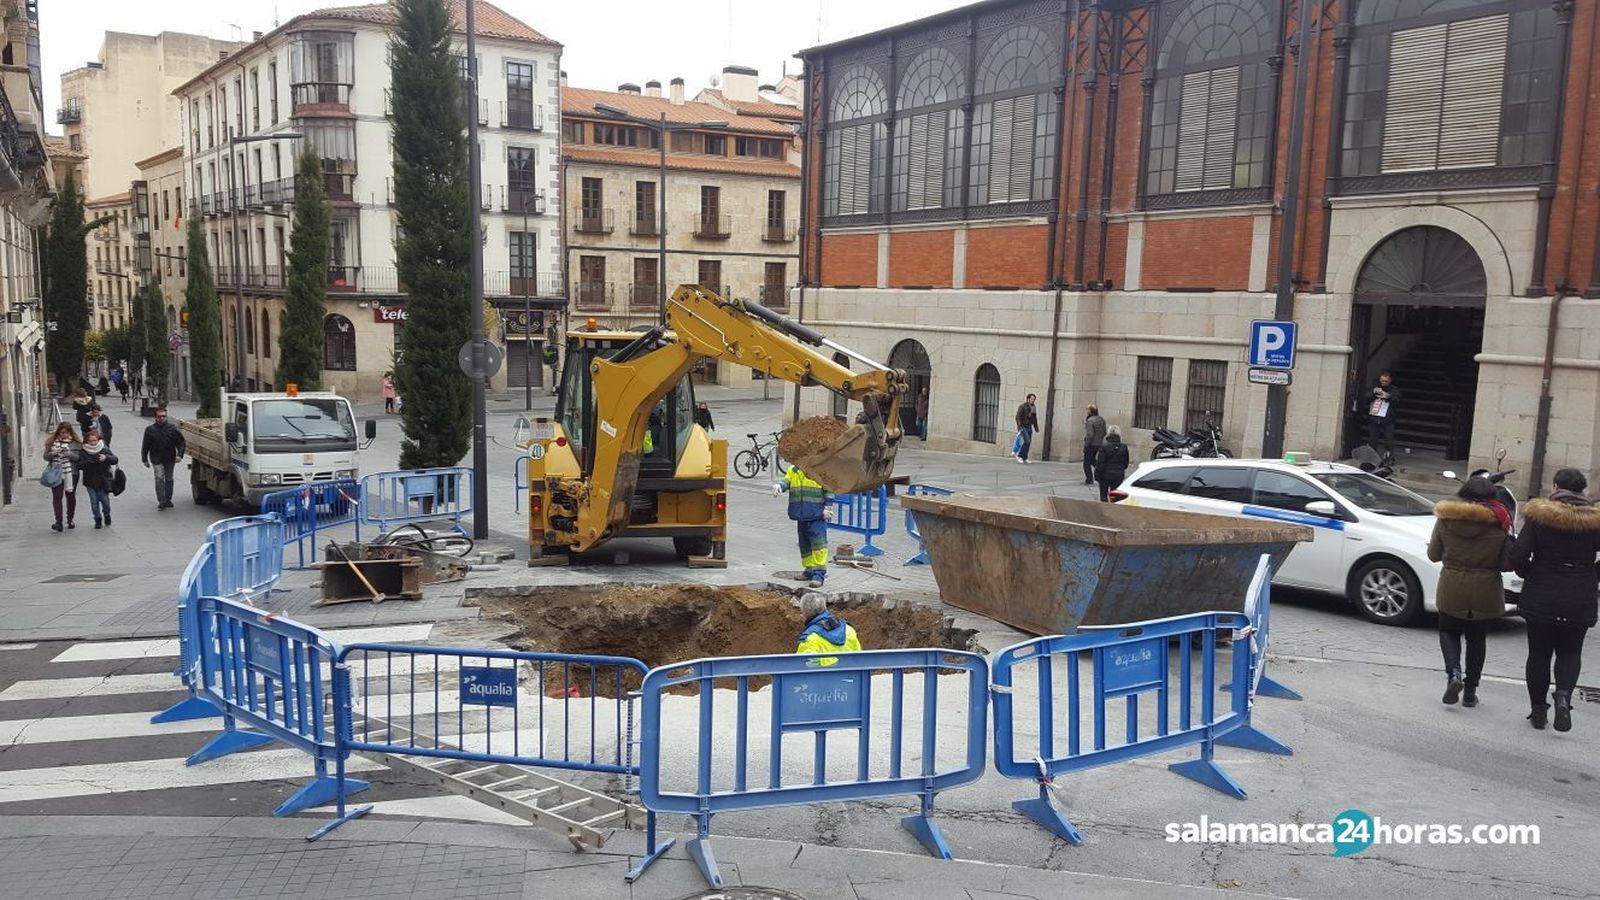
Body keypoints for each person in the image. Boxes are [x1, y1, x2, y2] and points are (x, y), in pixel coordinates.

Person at [1511, 467, 1600, 732]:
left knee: (1538, 653)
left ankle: (1538, 711)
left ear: (1555, 487)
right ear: (1582, 491)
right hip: (1580, 593)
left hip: (1542, 591)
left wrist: (1529, 572)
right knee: (1571, 651)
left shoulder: (1539, 518)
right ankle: (1563, 696)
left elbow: (1518, 554)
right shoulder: (1595, 522)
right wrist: (1592, 574)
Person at [1426, 477, 1512, 708]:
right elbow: (1506, 564)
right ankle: (1471, 691)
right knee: (1477, 639)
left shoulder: (1446, 519)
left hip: (1452, 585)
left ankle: (1454, 674)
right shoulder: (1500, 522)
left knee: (1448, 631)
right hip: (1486, 587)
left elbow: (1433, 555)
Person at [777, 465, 831, 588]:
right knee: (804, 544)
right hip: (801, 515)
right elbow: (787, 481)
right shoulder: (793, 470)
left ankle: (819, 574)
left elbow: (829, 489)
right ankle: (809, 570)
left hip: (817, 515)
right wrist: (780, 486)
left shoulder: (819, 469)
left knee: (819, 545)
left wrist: (828, 506)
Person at [794, 593, 862, 666]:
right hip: (851, 676)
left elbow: (802, 669)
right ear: (824, 607)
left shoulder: (809, 639)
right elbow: (860, 658)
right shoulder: (848, 629)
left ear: (805, 614)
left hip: (825, 677)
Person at [140, 406, 187, 511]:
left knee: (169, 478)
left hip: (170, 458)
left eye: (163, 416)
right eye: (159, 416)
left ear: (166, 417)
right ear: (155, 417)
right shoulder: (150, 430)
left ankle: (168, 499)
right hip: (156, 458)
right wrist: (144, 459)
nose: (161, 418)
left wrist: (179, 455)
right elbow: (145, 445)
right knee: (159, 478)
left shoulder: (173, 429)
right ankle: (161, 500)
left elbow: (181, 442)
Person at [76, 427, 118, 529]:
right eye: (90, 441)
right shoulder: (83, 451)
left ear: (98, 440)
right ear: (87, 441)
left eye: (94, 440)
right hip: (90, 481)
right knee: (94, 502)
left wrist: (106, 458)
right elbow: (79, 465)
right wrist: (90, 461)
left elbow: (115, 459)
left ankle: (106, 514)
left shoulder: (104, 449)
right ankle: (97, 518)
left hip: (103, 480)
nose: (93, 443)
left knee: (105, 501)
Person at [42, 423, 80, 532]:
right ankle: (58, 521)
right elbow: (45, 457)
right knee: (57, 496)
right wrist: (53, 453)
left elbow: (79, 459)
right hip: (56, 472)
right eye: (62, 432)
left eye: (67, 432)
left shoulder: (76, 443)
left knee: (70, 495)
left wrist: (69, 454)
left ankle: (70, 519)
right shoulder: (52, 442)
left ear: (70, 432)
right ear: (58, 432)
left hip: (71, 473)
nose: (65, 435)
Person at [1364, 372, 1400, 457]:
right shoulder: (1374, 388)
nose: (1384, 383)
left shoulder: (1394, 390)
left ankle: (1389, 458)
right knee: (1372, 439)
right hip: (1375, 417)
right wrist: (1373, 392)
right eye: (1382, 381)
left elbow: (1397, 401)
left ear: (1390, 381)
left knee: (1388, 440)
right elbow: (1366, 398)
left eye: (1386, 381)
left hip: (1388, 419)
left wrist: (1388, 397)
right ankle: (1372, 457)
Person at [1093, 429, 1129, 502]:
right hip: (1118, 475)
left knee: (1103, 496)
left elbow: (1100, 463)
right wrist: (1120, 469)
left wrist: (1097, 475)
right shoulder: (1124, 447)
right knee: (1115, 497)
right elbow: (1126, 463)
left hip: (1104, 475)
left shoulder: (1104, 446)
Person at [1082, 404, 1106, 486]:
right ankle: (1103, 471)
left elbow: (1090, 435)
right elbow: (1104, 432)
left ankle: (1089, 479)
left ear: (1090, 411)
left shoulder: (1090, 421)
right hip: (1099, 443)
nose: (1086, 411)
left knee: (1086, 462)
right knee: (1092, 460)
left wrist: (1086, 445)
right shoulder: (1101, 419)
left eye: (1087, 409)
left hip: (1091, 444)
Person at [1013, 393, 1040, 464]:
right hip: (1023, 426)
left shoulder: (1033, 407)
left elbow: (1034, 418)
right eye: (1031, 399)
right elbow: (1018, 416)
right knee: (1026, 441)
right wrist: (1019, 426)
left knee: (1028, 443)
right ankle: (1019, 455)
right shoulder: (1022, 406)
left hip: (1029, 426)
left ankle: (1025, 457)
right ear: (1028, 399)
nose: (1033, 400)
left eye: (1034, 399)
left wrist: (1036, 427)